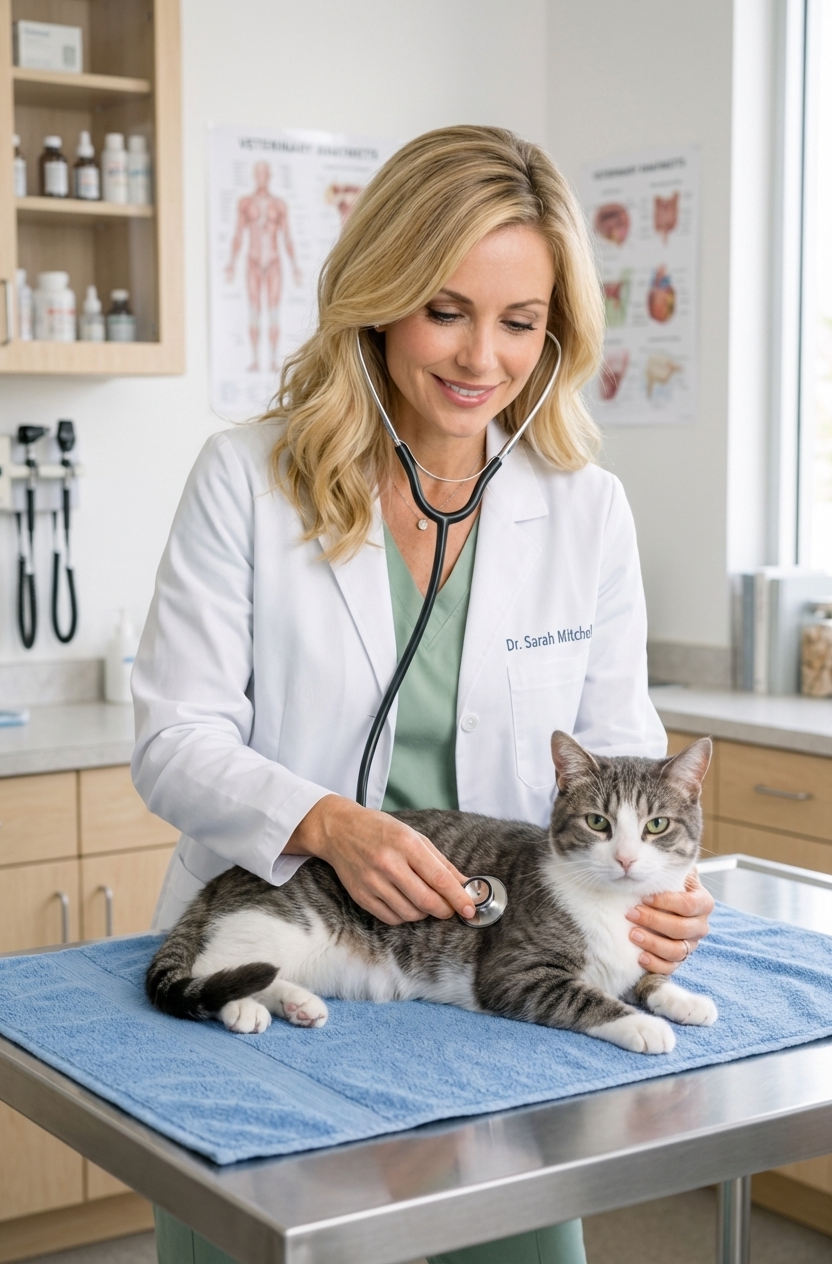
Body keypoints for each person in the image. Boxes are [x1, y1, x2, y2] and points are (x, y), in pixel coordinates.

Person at [133, 125, 714, 1264]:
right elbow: (173, 737)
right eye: (446, 308)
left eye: (520, 321)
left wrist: (659, 907)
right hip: (285, 961)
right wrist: (323, 823)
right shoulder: (246, 481)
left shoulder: (583, 508)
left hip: (497, 997)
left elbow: (625, 753)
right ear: (381, 296)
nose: (481, 358)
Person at [225, 160, 302, 372]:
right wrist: (231, 263)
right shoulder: (245, 203)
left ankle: (274, 360)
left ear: (269, 175)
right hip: (252, 261)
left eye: (264, 173)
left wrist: (295, 266)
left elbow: (287, 237)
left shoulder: (279, 205)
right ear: (254, 175)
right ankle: (256, 360)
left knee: (274, 311)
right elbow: (238, 234)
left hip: (274, 262)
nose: (261, 176)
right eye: (258, 173)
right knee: (254, 311)